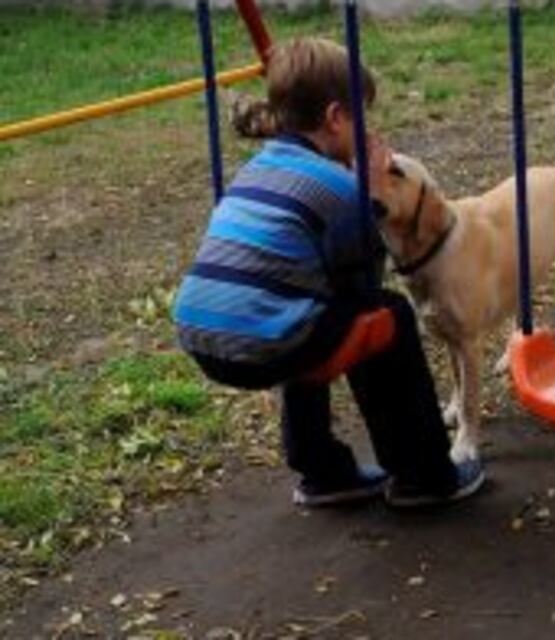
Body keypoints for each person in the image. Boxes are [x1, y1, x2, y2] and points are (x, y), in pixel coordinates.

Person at [172, 37, 483, 508]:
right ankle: (425, 475)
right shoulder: (338, 188)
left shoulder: (257, 168)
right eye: (363, 117)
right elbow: (363, 286)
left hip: (200, 335)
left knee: (305, 311)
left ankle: (323, 471)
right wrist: (372, 196)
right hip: (259, 343)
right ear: (337, 118)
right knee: (387, 315)